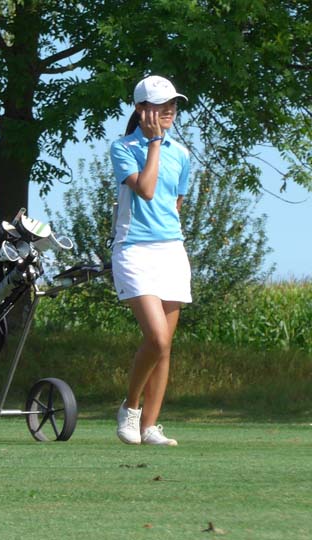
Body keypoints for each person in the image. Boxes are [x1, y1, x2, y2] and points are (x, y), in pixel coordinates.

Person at [109, 75, 192, 446]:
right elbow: (145, 190)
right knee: (156, 339)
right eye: (160, 104)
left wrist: (162, 143)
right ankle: (130, 408)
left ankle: (150, 427)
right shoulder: (122, 148)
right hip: (134, 250)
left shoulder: (183, 153)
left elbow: (175, 204)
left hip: (171, 251)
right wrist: (155, 143)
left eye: (172, 103)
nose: (170, 110)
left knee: (166, 346)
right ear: (142, 110)